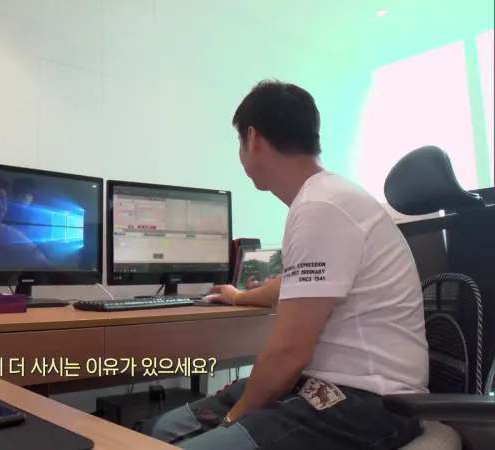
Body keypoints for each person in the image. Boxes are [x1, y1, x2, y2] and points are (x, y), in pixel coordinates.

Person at [143, 80, 429, 450]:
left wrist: (232, 421)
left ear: (253, 138)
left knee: (187, 440)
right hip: (322, 385)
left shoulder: (320, 207)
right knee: (165, 428)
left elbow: (290, 352)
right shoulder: (326, 198)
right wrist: (239, 297)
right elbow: (294, 287)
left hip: (370, 402)